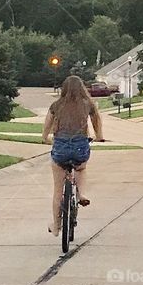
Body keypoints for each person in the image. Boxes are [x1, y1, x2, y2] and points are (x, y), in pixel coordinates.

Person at [41, 75, 105, 236]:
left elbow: (47, 124)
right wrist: (99, 135)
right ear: (82, 88)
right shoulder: (87, 104)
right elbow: (96, 119)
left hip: (61, 146)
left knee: (57, 190)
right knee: (81, 168)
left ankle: (56, 226)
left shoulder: (57, 105)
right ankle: (82, 194)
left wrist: (45, 137)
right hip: (79, 145)